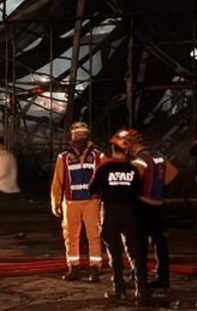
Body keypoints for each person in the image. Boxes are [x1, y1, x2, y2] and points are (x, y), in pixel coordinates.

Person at [89, 131, 149, 304]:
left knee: (114, 254)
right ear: (127, 151)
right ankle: (142, 291)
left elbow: (91, 189)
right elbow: (139, 190)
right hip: (131, 213)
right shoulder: (133, 169)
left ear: (112, 148)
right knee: (135, 253)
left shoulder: (103, 168)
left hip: (110, 213)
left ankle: (119, 290)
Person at [50, 121, 103, 282]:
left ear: (87, 136)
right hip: (70, 202)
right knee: (70, 236)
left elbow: (103, 179)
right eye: (77, 134)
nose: (80, 137)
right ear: (71, 136)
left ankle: (95, 269)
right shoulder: (63, 157)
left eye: (83, 134)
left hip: (91, 202)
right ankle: (73, 267)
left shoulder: (97, 156)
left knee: (94, 236)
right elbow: (58, 181)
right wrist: (56, 202)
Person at [124, 128, 174, 290]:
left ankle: (139, 278)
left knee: (139, 245)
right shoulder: (158, 156)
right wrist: (158, 186)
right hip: (159, 205)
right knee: (160, 243)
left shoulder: (139, 160)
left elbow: (134, 182)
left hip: (143, 206)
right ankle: (163, 278)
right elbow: (172, 174)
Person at [0, 137, 21, 206]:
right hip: (12, 188)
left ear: (3, 146)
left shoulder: (2, 157)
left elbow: (1, 172)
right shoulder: (11, 156)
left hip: (3, 189)